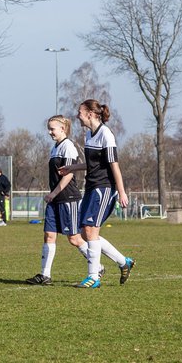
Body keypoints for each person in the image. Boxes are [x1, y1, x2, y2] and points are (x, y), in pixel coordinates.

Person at [61, 99, 134, 288]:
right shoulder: (88, 135)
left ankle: (93, 276)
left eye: (80, 112)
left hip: (104, 188)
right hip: (91, 187)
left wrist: (121, 191)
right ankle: (123, 262)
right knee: (85, 233)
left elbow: (114, 166)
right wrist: (73, 167)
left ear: (90, 114)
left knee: (91, 230)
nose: (77, 115)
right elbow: (92, 165)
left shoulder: (106, 135)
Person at [27, 116, 89, 285]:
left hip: (67, 198)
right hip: (54, 199)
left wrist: (53, 194)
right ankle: (45, 275)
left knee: (74, 239)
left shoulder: (68, 146)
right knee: (49, 235)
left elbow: (69, 174)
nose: (49, 132)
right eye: (48, 128)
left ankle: (96, 266)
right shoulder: (55, 148)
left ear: (63, 129)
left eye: (52, 128)